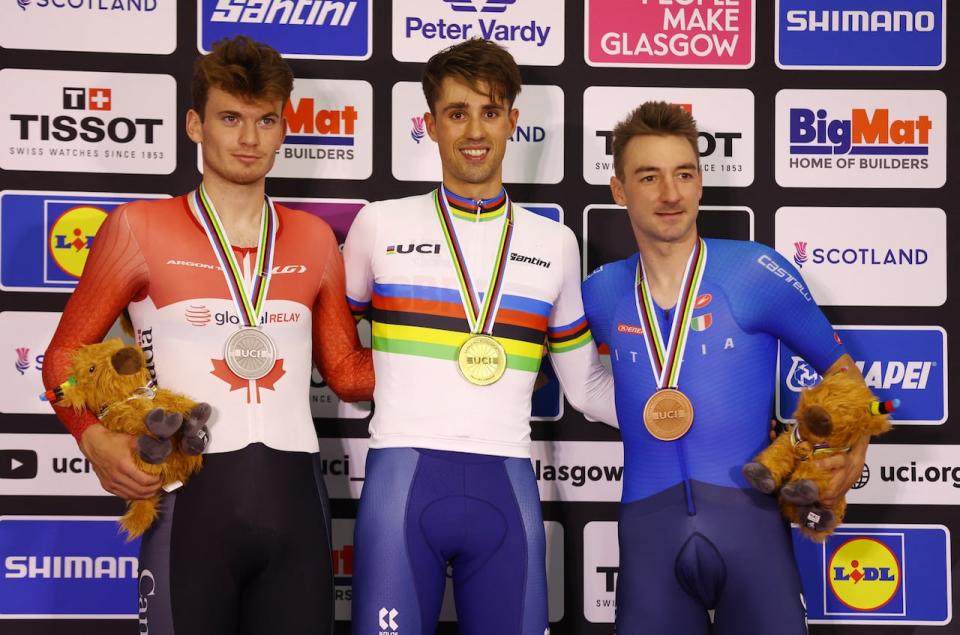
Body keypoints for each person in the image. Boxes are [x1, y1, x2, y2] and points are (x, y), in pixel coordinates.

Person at [42, 36, 372, 635]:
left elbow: (347, 372)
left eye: (265, 120)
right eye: (230, 118)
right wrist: (92, 440)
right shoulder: (138, 228)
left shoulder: (317, 241)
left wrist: (450, 340)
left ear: (283, 128)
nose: (249, 138)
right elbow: (63, 354)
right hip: (187, 508)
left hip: (296, 510)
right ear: (195, 124)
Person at [343, 38, 616, 634]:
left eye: (490, 112)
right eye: (456, 112)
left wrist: (699, 414)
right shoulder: (380, 225)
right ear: (430, 124)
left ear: (513, 122)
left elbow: (588, 389)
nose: (474, 130)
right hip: (402, 482)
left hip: (506, 484)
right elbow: (332, 345)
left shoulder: (554, 244)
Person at [581, 102, 868, 634]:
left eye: (684, 174)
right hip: (649, 536)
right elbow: (557, 377)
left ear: (701, 182)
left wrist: (854, 455)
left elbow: (844, 376)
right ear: (620, 190)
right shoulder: (599, 292)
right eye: (650, 177)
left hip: (751, 528)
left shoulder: (754, 272)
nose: (671, 193)